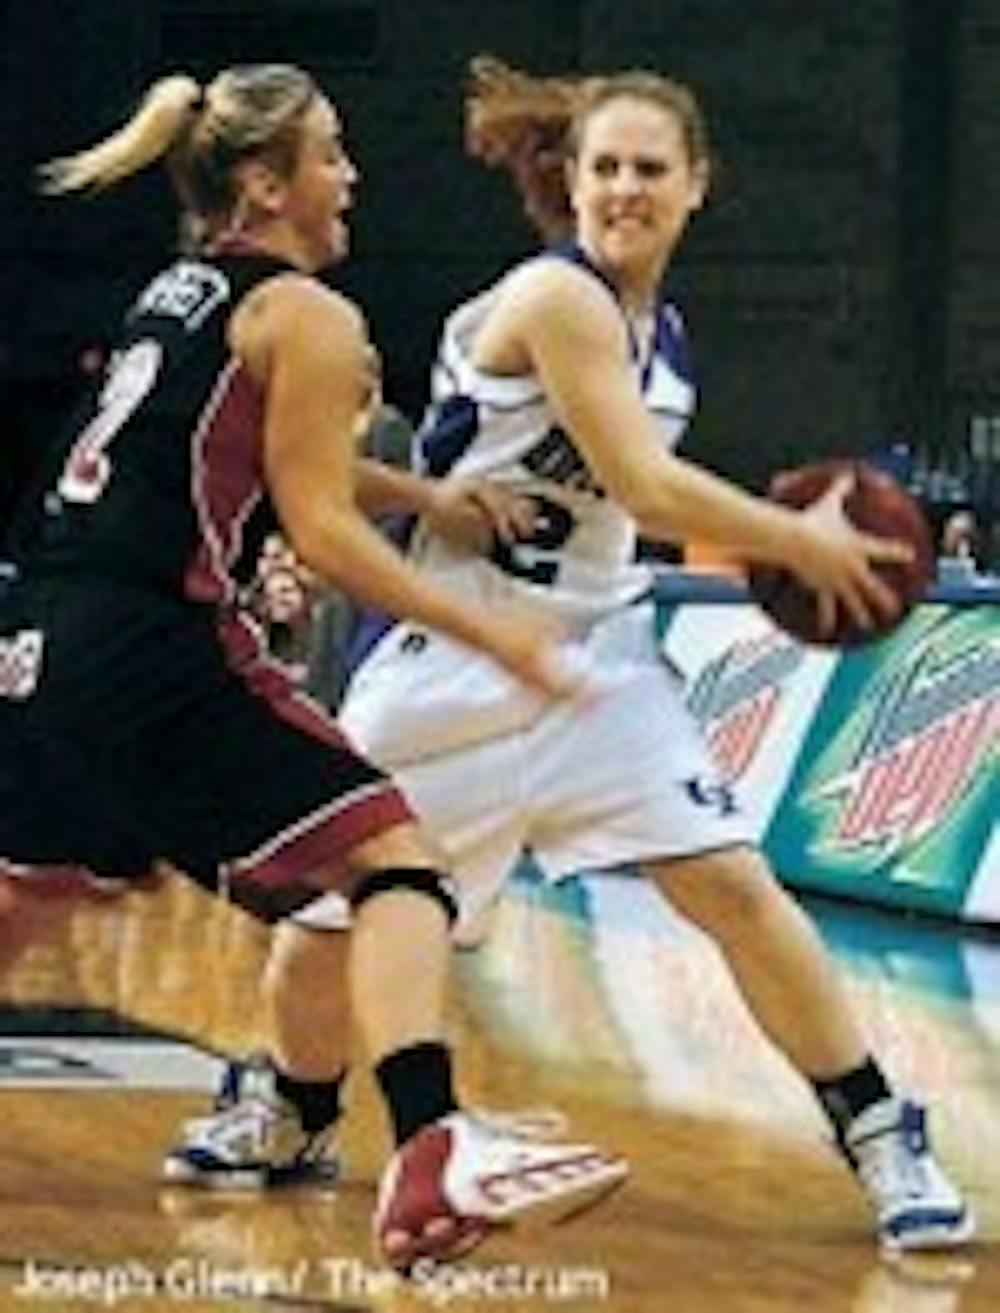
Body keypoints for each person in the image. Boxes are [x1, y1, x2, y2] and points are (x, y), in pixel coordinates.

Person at [163, 56, 974, 1253]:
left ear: (697, 184)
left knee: (734, 887)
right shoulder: (556, 296)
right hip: (451, 657)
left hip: (596, 664)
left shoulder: (665, 335)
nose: (624, 188)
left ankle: (877, 1127)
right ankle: (293, 1105)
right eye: (605, 167)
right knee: (328, 926)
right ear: (573, 181)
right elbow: (643, 485)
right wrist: (796, 536)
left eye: (650, 167)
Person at [0, 63, 633, 1270]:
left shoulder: (178, 290)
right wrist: (496, 634)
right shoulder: (309, 314)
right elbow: (323, 528)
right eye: (330, 154)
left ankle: (378, 1132)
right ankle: (432, 1145)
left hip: (40, 630)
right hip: (154, 638)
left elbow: (267, 459)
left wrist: (426, 499)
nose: (351, 176)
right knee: (397, 864)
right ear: (263, 183)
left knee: (28, 891)